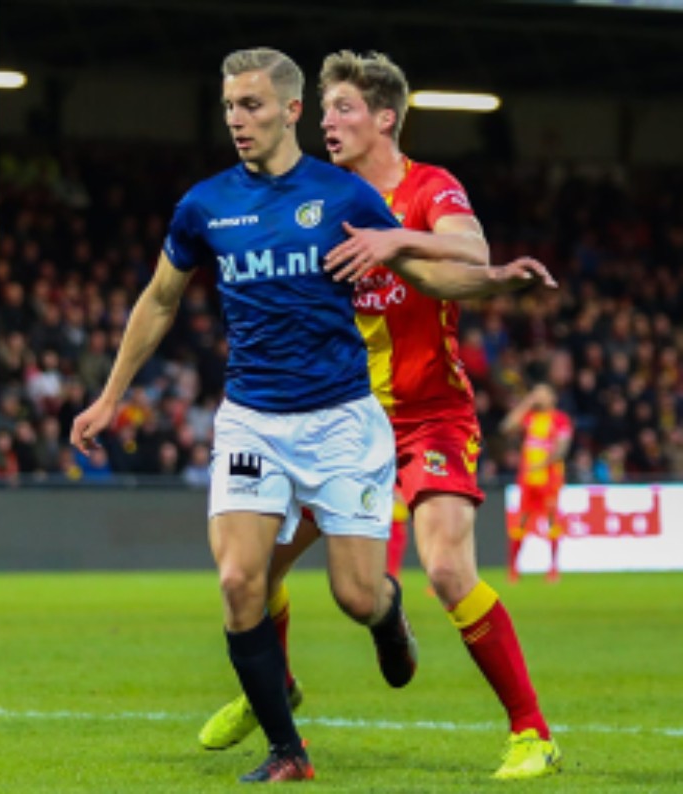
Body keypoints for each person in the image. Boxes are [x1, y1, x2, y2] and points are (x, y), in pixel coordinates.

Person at [70, 46, 543, 785]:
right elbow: (162, 296)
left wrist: (491, 279)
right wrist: (110, 394)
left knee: (384, 586)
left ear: (295, 111)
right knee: (243, 579)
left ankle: (448, 668)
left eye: (253, 105)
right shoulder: (214, 203)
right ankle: (285, 734)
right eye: (229, 107)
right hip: (261, 418)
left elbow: (442, 266)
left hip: (372, 419)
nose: (238, 120)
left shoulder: (367, 197)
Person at [199, 50, 562, 782]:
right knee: (254, 573)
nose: (326, 123)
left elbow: (470, 251)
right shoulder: (320, 197)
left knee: (451, 569)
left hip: (430, 414)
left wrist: (400, 239)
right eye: (324, 110)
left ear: (385, 118)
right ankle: (276, 688)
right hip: (335, 419)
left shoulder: (432, 188)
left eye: (343, 110)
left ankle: (531, 733)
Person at [500, 383, 573, 583]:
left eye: (542, 393)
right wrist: (527, 403)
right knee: (520, 522)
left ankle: (553, 569)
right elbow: (506, 427)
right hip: (527, 481)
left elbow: (561, 449)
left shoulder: (560, 420)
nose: (538, 396)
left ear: (552, 397)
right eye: (536, 393)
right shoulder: (530, 417)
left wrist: (542, 463)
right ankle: (513, 569)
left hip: (549, 480)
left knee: (551, 521)